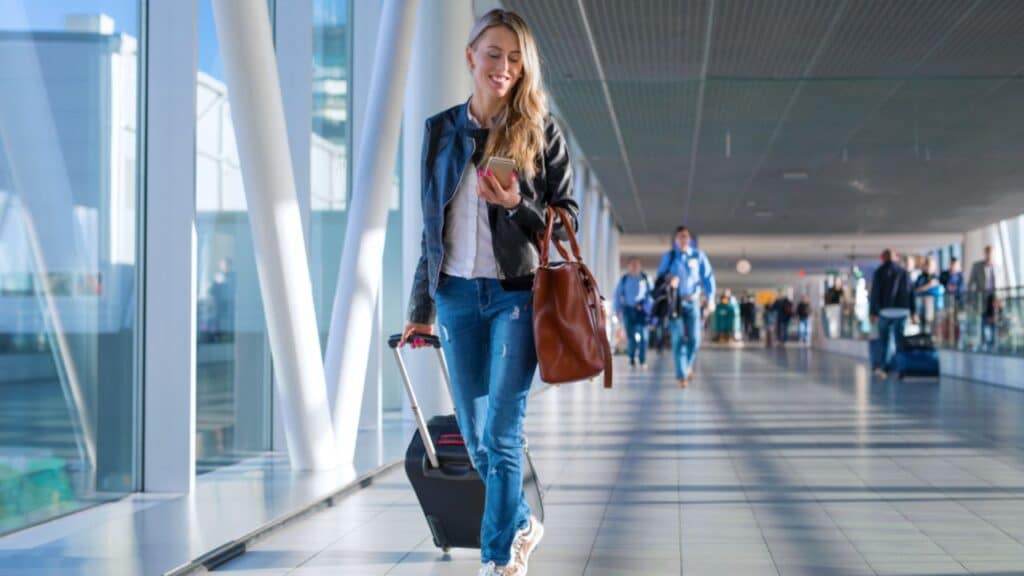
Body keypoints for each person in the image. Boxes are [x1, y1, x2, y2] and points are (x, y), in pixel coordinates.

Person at [399, 10, 578, 575]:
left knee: (503, 433)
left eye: (515, 58)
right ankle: (522, 519)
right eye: (495, 54)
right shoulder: (440, 130)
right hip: (454, 295)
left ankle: (499, 560)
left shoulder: (540, 130)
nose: (504, 67)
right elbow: (432, 228)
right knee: (477, 437)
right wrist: (420, 310)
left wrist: (515, 205)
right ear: (471, 56)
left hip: (517, 296)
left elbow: (566, 219)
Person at [656, 226, 715, 387]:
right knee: (678, 338)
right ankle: (682, 375)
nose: (683, 239)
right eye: (680, 237)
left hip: (693, 302)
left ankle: (687, 366)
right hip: (675, 302)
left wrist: (710, 299)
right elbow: (660, 277)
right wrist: (669, 279)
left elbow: (708, 277)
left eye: (686, 237)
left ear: (689, 240)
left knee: (695, 339)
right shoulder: (670, 256)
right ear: (676, 240)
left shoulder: (698, 256)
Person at [869, 249, 917, 377]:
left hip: (885, 311)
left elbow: (875, 293)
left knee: (884, 341)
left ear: (883, 258)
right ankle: (901, 369)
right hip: (902, 311)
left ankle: (884, 368)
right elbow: (911, 292)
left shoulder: (879, 272)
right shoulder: (903, 272)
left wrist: (873, 312)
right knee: (899, 341)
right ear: (895, 258)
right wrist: (913, 312)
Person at [613, 257, 653, 369]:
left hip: (642, 311)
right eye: (632, 265)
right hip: (628, 310)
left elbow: (652, 295)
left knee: (644, 336)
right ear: (628, 267)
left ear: (640, 266)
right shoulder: (624, 279)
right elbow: (617, 295)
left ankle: (642, 359)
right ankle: (631, 358)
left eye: (637, 264)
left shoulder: (645, 278)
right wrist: (617, 310)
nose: (635, 267)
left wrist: (647, 307)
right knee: (631, 336)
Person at [968, 245, 1000, 350]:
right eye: (987, 252)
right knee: (982, 320)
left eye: (991, 253)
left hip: (994, 297)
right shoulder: (977, 266)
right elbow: (971, 283)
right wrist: (970, 297)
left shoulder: (997, 267)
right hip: (981, 297)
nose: (989, 255)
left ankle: (994, 343)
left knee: (994, 320)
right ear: (985, 253)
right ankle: (984, 343)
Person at [914, 255, 944, 334]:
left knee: (935, 328)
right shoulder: (920, 277)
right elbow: (916, 290)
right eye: (927, 265)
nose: (928, 268)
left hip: (936, 307)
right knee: (923, 328)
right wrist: (928, 286)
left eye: (931, 266)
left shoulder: (937, 277)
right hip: (922, 307)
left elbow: (940, 291)